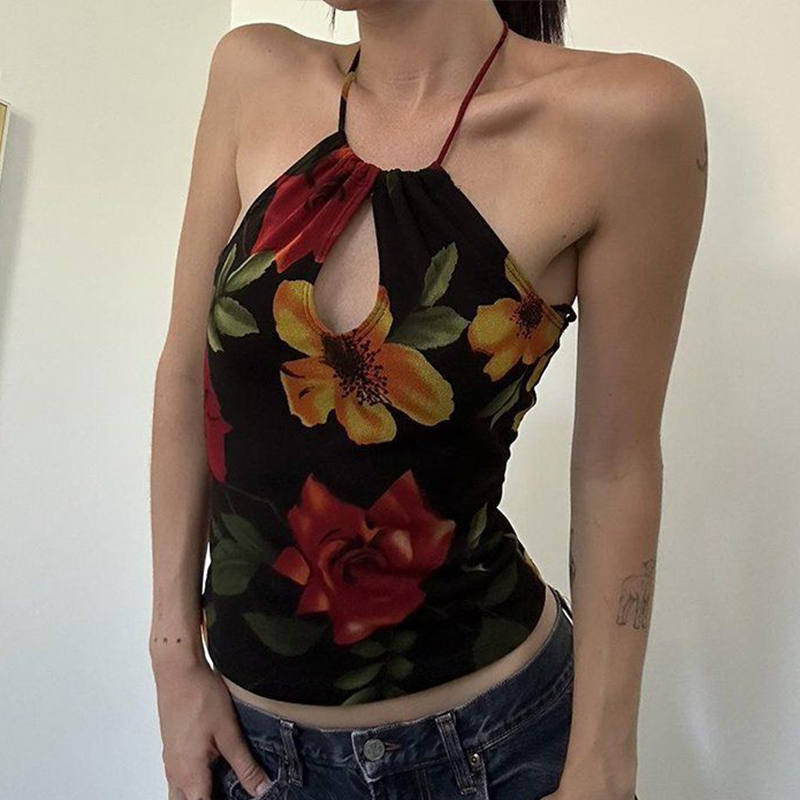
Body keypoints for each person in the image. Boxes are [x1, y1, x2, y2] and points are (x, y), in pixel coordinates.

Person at [149, 2, 707, 799]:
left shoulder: (627, 119)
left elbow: (616, 465)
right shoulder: (252, 70)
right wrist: (172, 658)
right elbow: (186, 374)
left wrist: (604, 762)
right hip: (247, 754)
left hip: (491, 749)